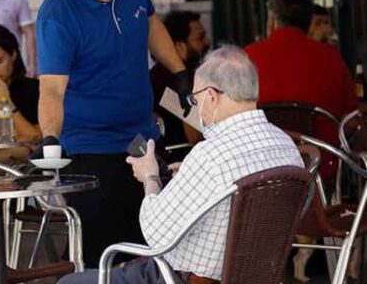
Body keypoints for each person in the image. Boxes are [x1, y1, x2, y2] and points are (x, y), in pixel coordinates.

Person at [59, 46, 304, 284]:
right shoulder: (286, 146)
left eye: (194, 99)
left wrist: (150, 177)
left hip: (181, 278)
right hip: (259, 274)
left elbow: (156, 234)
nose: (195, 107)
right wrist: (188, 177)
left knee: (69, 282)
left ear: (211, 96)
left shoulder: (211, 154)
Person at [35, 0, 192, 268]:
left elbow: (150, 24)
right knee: (105, 256)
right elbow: (51, 91)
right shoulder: (56, 16)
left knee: (159, 245)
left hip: (142, 140)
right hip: (89, 148)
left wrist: (180, 72)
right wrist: (49, 137)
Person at [244, 0, 357, 180]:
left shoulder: (246, 58)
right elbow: (351, 121)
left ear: (271, 21)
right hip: (320, 172)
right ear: (307, 23)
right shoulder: (330, 57)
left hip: (261, 174)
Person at [150, 11, 208, 147]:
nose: (207, 42)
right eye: (200, 38)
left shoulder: (157, 75)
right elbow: (194, 135)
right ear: (179, 47)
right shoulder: (167, 79)